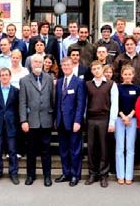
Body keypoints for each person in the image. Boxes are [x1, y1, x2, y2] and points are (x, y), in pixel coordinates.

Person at [19, 54, 55, 187]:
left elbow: (53, 99)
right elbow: (22, 102)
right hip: (31, 121)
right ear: (31, 64)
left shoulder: (49, 78)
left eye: (40, 62)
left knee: (46, 151)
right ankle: (30, 175)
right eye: (35, 62)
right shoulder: (24, 80)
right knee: (31, 151)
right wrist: (23, 120)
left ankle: (47, 176)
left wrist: (54, 118)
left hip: (46, 120)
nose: (38, 64)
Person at [84, 61, 118, 188]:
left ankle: (104, 174)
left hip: (105, 118)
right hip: (91, 119)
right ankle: (93, 173)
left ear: (102, 69)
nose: (96, 71)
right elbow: (85, 103)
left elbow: (115, 104)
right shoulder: (88, 84)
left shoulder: (111, 84)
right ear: (92, 71)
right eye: (94, 69)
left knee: (104, 148)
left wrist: (112, 122)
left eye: (98, 68)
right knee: (91, 148)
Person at [54, 57, 86, 187]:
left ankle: (75, 175)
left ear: (73, 66)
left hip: (73, 122)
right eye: (63, 65)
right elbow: (57, 103)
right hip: (61, 121)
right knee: (63, 150)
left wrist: (78, 121)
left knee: (75, 150)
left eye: (68, 65)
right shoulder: (60, 82)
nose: (66, 67)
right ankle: (66, 173)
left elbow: (81, 103)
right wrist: (56, 119)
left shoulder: (79, 82)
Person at [0, 68, 20, 185]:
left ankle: (13, 173)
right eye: (2, 75)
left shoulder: (16, 91)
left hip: (11, 125)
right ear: (0, 77)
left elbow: (17, 109)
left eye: (6, 75)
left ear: (10, 77)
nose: (4, 77)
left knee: (12, 151)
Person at [115, 65, 140, 185]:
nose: (127, 76)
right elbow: (115, 103)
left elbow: (138, 104)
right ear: (122, 75)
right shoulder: (117, 88)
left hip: (132, 119)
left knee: (130, 148)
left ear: (133, 75)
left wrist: (130, 116)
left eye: (129, 74)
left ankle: (128, 175)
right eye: (125, 74)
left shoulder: (137, 88)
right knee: (120, 148)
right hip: (119, 119)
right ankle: (120, 175)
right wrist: (123, 116)